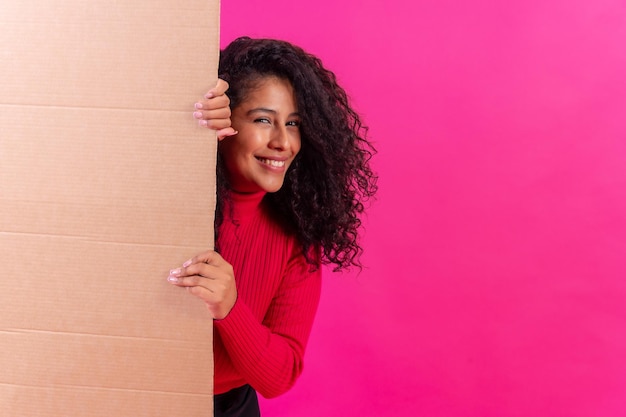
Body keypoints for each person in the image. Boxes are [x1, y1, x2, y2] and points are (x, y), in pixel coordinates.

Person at [167, 37, 377, 416]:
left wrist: (229, 307)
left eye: (294, 124)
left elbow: (278, 377)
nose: (283, 141)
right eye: (263, 119)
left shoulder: (297, 237)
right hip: (136, 394)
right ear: (226, 120)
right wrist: (185, 121)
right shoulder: (167, 197)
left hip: (230, 408)